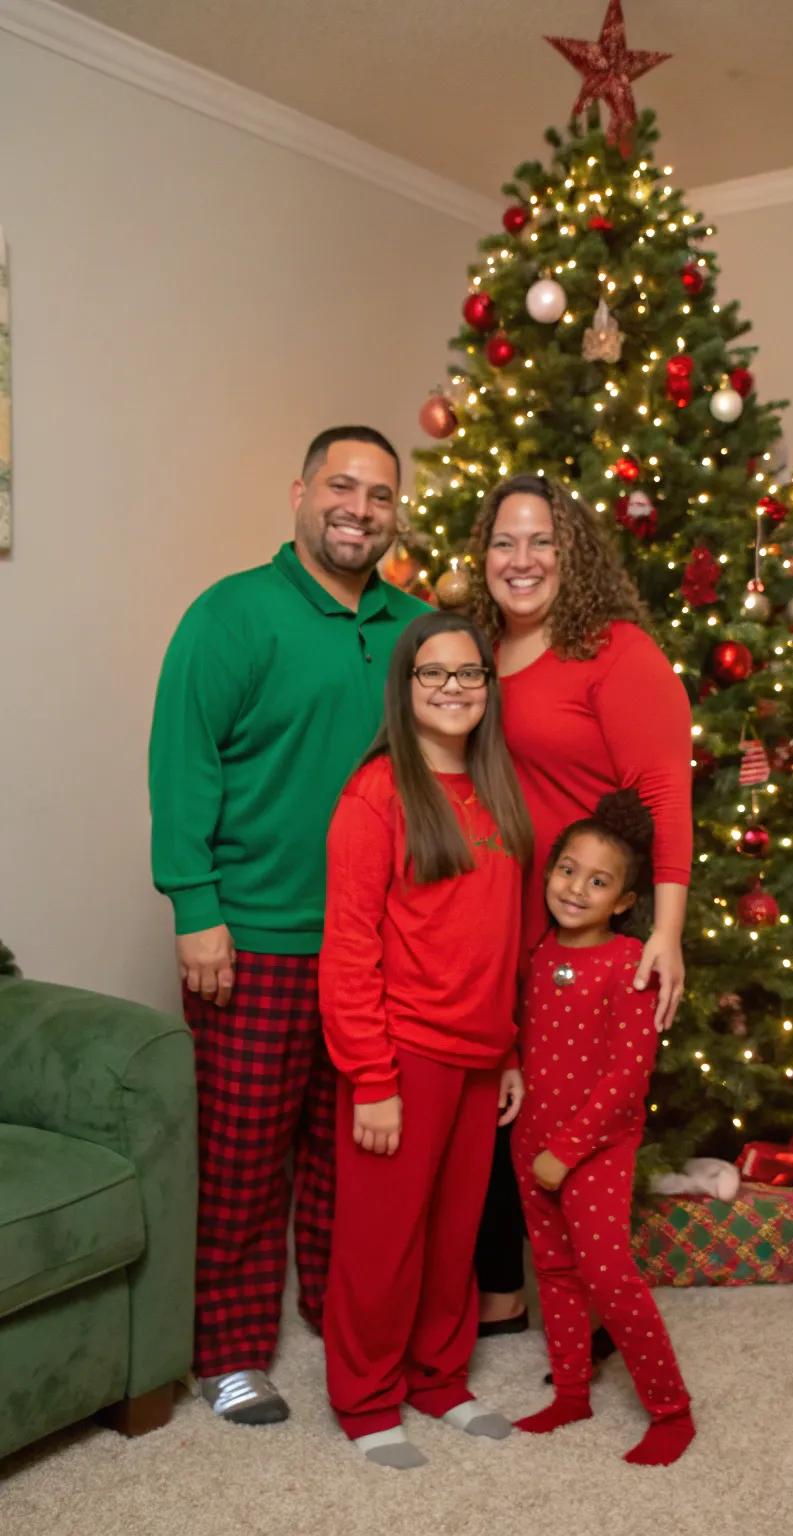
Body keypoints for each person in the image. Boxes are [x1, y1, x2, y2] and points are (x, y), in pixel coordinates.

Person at [149, 426, 427, 1424]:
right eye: (341, 487)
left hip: (374, 944)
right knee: (242, 1153)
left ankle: (333, 1311)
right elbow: (185, 759)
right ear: (300, 493)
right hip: (254, 936)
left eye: (380, 494)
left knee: (350, 1150)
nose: (359, 508)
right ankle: (229, 1351)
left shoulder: (415, 630)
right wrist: (196, 909)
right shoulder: (231, 614)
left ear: (398, 512)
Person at [469, 473, 693, 1333]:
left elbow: (664, 795)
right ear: (482, 555)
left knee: (579, 1110)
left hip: (588, 920)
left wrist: (663, 932)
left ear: (574, 556)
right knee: (500, 1101)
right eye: (504, 542)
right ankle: (503, 1289)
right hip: (498, 913)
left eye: (541, 543)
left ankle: (593, 1302)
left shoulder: (616, 651)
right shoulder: (476, 647)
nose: (520, 560)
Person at [319, 612, 533, 1470]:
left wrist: (510, 1049)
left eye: (470, 672)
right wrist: (371, 1077)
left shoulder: (495, 792)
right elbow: (348, 948)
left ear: (488, 685)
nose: (454, 687)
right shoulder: (376, 795)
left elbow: (501, 936)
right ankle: (366, 1398)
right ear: (405, 689)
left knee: (453, 1233)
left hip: (481, 1057)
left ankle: (438, 1377)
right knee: (383, 1238)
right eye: (433, 673)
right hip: (402, 1055)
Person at [513, 790, 696, 1466]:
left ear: (623, 901)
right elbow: (520, 1035)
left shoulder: (630, 965)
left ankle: (671, 1411)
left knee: (608, 1274)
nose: (576, 888)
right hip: (530, 1139)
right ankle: (571, 1391)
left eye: (598, 881)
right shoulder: (535, 952)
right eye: (567, 870)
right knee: (555, 1271)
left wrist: (565, 1151)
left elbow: (627, 1079)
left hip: (593, 1148)